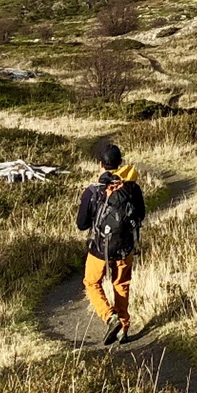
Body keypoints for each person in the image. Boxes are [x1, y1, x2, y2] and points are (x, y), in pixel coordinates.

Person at [75, 142, 146, 345]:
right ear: (121, 163)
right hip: (125, 248)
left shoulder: (93, 191)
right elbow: (141, 215)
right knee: (121, 285)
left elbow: (81, 224)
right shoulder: (133, 189)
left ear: (100, 165)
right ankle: (123, 327)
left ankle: (109, 316)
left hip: (99, 248)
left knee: (91, 283)